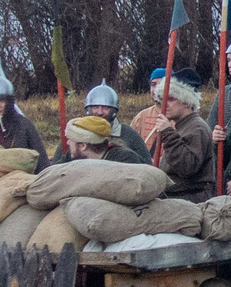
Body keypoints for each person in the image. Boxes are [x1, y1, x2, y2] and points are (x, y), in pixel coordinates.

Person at [148, 70, 213, 202]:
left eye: (171, 99)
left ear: (186, 101)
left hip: (188, 200)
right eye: (163, 99)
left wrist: (167, 133)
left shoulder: (196, 127)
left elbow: (186, 167)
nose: (165, 104)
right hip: (176, 197)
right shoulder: (183, 126)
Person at [82, 82, 150, 162]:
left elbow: (146, 165)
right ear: (89, 110)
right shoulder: (79, 133)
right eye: (95, 107)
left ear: (113, 111)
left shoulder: (129, 134)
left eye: (105, 108)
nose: (100, 112)